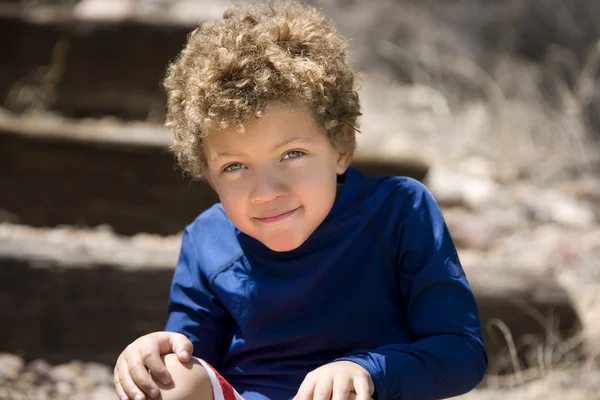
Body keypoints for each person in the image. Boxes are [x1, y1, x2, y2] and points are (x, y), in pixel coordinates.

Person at [113, 1, 488, 400]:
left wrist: (367, 370)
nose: (267, 192)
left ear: (341, 145)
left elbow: (461, 352)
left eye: (292, 155)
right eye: (235, 166)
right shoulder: (207, 240)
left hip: (368, 393)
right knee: (168, 378)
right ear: (208, 175)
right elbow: (191, 356)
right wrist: (153, 353)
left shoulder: (398, 210)